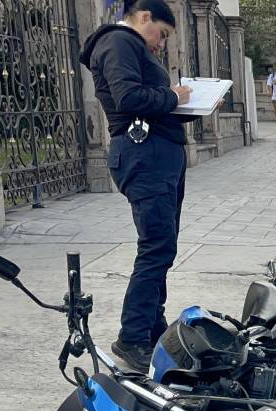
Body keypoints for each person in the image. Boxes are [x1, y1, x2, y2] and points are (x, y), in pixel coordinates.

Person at [79, 0, 195, 370]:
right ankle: (132, 337)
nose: (161, 45)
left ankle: (150, 328)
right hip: (145, 157)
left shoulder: (128, 46)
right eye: (161, 34)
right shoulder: (119, 42)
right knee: (156, 246)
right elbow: (128, 99)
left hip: (157, 155)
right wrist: (173, 96)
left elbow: (144, 101)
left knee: (163, 247)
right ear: (144, 17)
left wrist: (192, 105)